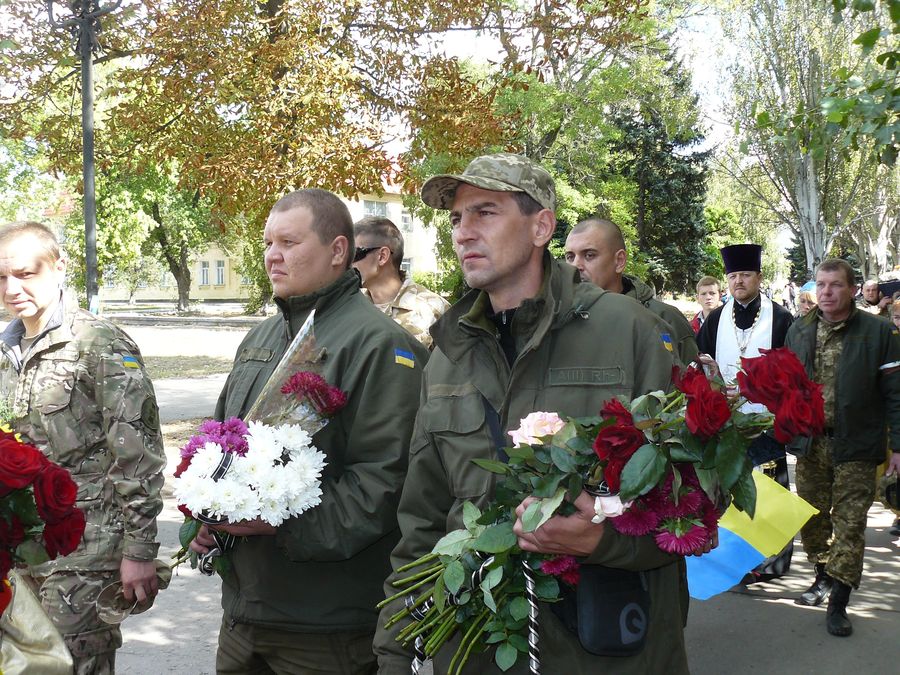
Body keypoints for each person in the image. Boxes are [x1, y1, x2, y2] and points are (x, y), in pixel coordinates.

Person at [374, 153, 689, 673]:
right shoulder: (448, 352)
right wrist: (394, 651)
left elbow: (697, 502)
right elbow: (422, 520)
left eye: (485, 213)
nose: (463, 233)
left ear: (541, 226)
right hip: (477, 645)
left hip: (606, 647)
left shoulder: (631, 331)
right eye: (456, 218)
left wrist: (603, 539)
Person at [189, 190, 428, 673]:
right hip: (244, 614)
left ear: (338, 251)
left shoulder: (380, 345)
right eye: (268, 242)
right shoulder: (260, 338)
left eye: (289, 242)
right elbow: (222, 441)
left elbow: (386, 482)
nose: (272, 255)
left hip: (325, 626)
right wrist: (209, 514)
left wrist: (282, 525)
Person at [0, 221, 166, 674]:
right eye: (1, 277)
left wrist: (139, 551)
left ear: (59, 268)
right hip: (22, 550)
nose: (12, 288)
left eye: (26, 273)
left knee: (72, 666)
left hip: (89, 549)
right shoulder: (6, 351)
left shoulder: (98, 343)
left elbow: (139, 454)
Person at [785, 258, 900, 636]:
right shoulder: (799, 330)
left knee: (850, 524)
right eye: (820, 285)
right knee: (813, 519)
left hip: (857, 443)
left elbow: (896, 394)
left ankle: (839, 603)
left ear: (853, 289)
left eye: (835, 285)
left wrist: (897, 445)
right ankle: (822, 577)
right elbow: (786, 386)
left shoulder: (879, 332)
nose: (826, 292)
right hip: (811, 442)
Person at [696, 243, 795, 580]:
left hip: (767, 421)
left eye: (745, 274)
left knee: (770, 492)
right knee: (731, 492)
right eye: (733, 275)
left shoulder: (780, 318)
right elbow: (701, 360)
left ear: (759, 277)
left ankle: (775, 561)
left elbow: (792, 371)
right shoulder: (716, 318)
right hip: (727, 421)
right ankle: (738, 561)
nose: (739, 281)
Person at [564, 218, 699, 365]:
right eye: (570, 257)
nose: (576, 266)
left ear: (619, 261)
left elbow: (695, 383)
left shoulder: (665, 319)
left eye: (589, 255)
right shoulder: (558, 321)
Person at [352, 215, 450, 348]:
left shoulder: (434, 310)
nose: (347, 263)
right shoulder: (351, 307)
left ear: (382, 256)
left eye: (354, 254)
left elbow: (453, 366)